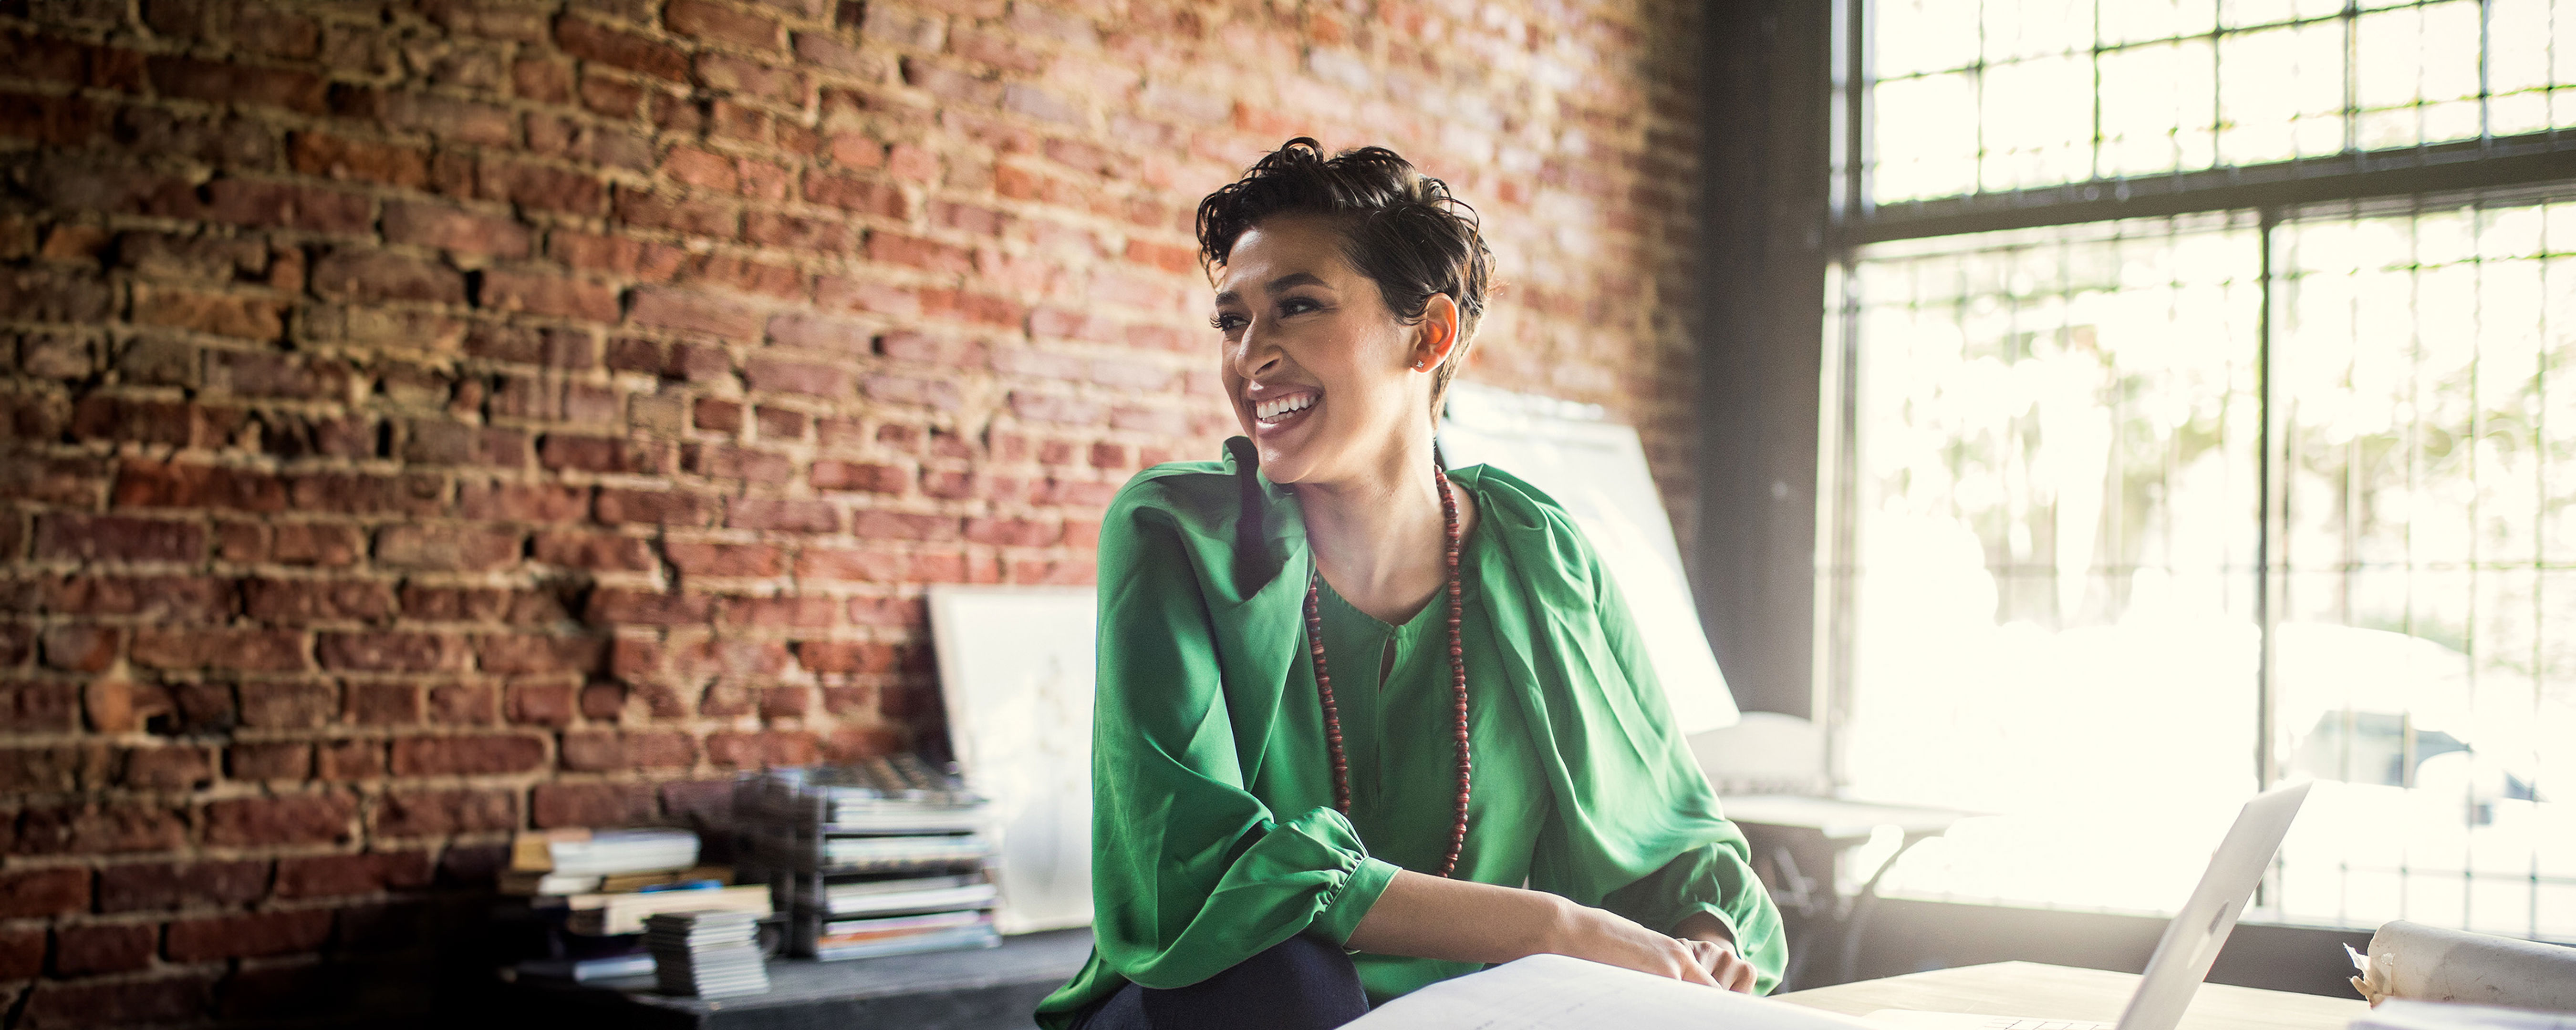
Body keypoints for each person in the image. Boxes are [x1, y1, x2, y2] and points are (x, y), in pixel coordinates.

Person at [1034, 139, 1785, 1030]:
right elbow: (1193, 865)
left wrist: (1702, 943)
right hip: (1225, 1008)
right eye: (1232, 323)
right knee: (1282, 976)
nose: (1251, 357)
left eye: (1297, 307)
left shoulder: (1540, 557)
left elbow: (1671, 837)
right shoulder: (1174, 534)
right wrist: (1552, 927)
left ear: (1430, 334)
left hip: (1469, 1014)